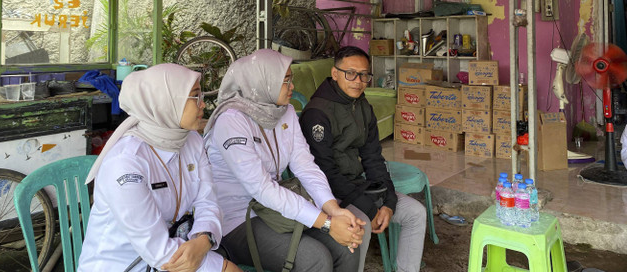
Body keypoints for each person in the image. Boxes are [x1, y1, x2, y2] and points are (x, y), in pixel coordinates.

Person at [203, 49, 365, 272]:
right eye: (285, 81)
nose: (292, 87)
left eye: (291, 79)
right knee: (314, 257)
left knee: (345, 247)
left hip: (277, 209)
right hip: (239, 217)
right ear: (263, 82)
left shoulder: (285, 111)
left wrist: (332, 209)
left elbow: (304, 164)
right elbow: (261, 189)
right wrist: (326, 223)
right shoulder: (231, 121)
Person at [79, 64, 239, 272]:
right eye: (195, 97)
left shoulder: (191, 140)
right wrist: (222, 267)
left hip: (180, 255)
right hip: (125, 266)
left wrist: (204, 239)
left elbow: (207, 200)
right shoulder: (126, 162)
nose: (203, 105)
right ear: (167, 101)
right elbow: (159, 252)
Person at [299, 46, 427, 272]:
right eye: (350, 73)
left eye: (364, 75)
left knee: (416, 213)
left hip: (359, 187)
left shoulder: (362, 106)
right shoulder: (317, 113)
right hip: (329, 193)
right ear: (335, 73)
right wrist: (369, 208)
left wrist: (388, 202)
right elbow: (325, 171)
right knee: (361, 225)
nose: (358, 81)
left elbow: (373, 158)